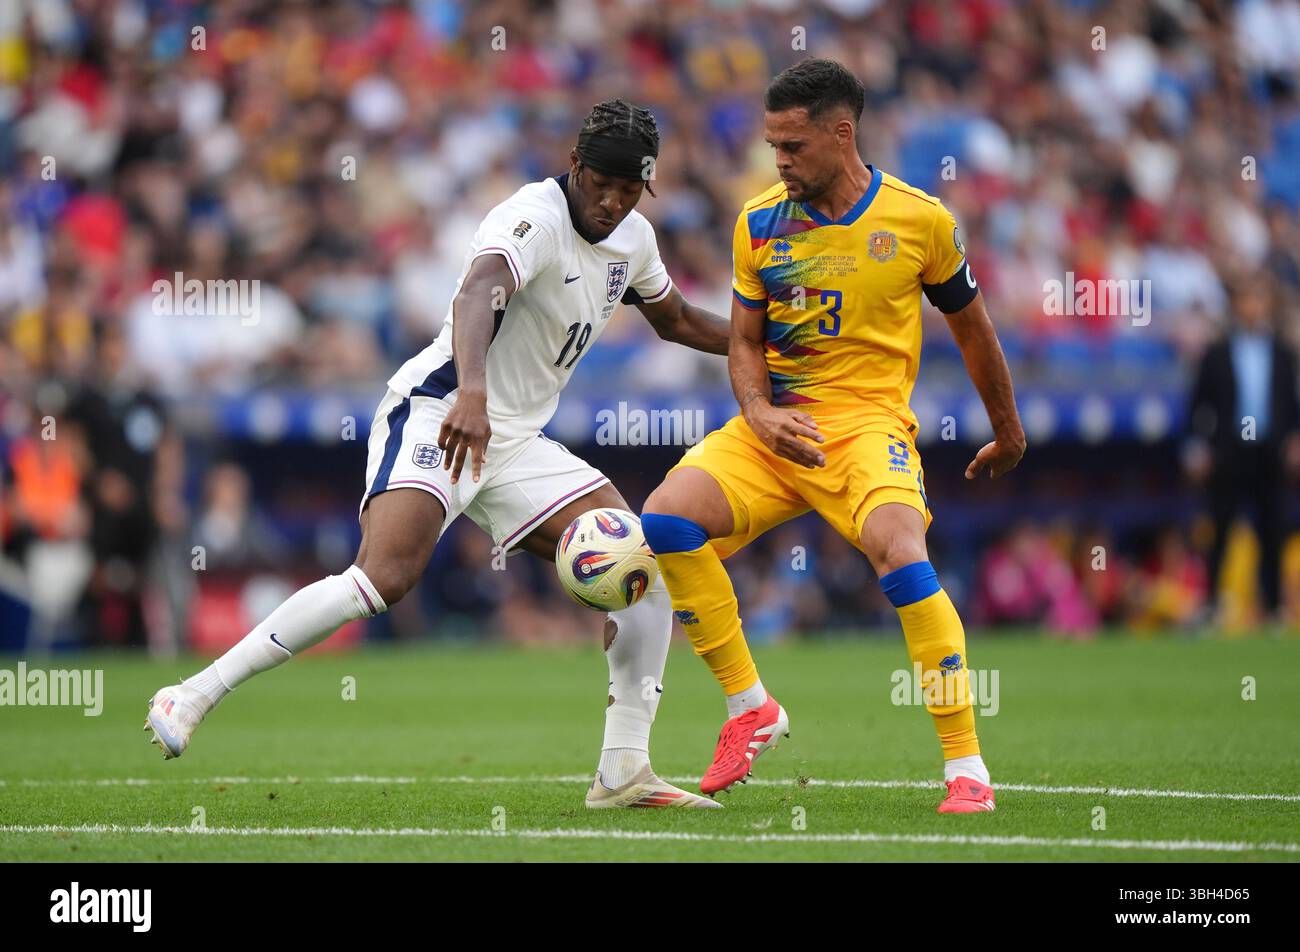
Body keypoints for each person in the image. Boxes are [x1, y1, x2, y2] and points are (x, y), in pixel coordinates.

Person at [145, 100, 731, 810]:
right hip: (442, 414)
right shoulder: (533, 216)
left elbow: (674, 319)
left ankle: (622, 773)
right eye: (601, 180)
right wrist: (474, 395)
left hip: (515, 440)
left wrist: (766, 344)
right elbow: (481, 291)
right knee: (382, 578)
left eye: (628, 187)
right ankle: (191, 694)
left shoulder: (633, 238)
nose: (611, 199)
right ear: (575, 165)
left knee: (642, 564)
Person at [639, 59, 1026, 814]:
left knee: (902, 555)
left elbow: (975, 333)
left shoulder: (921, 222)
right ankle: (750, 705)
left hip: (866, 426)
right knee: (666, 518)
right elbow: (744, 341)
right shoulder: (758, 222)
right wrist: (755, 410)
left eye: (792, 145)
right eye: (772, 145)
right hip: (775, 426)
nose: (778, 161)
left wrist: (1007, 431)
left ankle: (965, 767)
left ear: (841, 133)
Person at [1185, 272, 1300, 624]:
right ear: (1236, 306)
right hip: (1229, 450)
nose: (1252, 307)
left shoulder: (1282, 353)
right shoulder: (1217, 352)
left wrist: (1295, 440)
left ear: (1266, 305)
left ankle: (1274, 606)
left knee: (1272, 527)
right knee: (1220, 527)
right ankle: (1212, 604)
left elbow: (1290, 403)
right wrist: (1195, 447)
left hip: (1269, 449)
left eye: (1258, 299)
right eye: (1246, 299)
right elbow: (1198, 403)